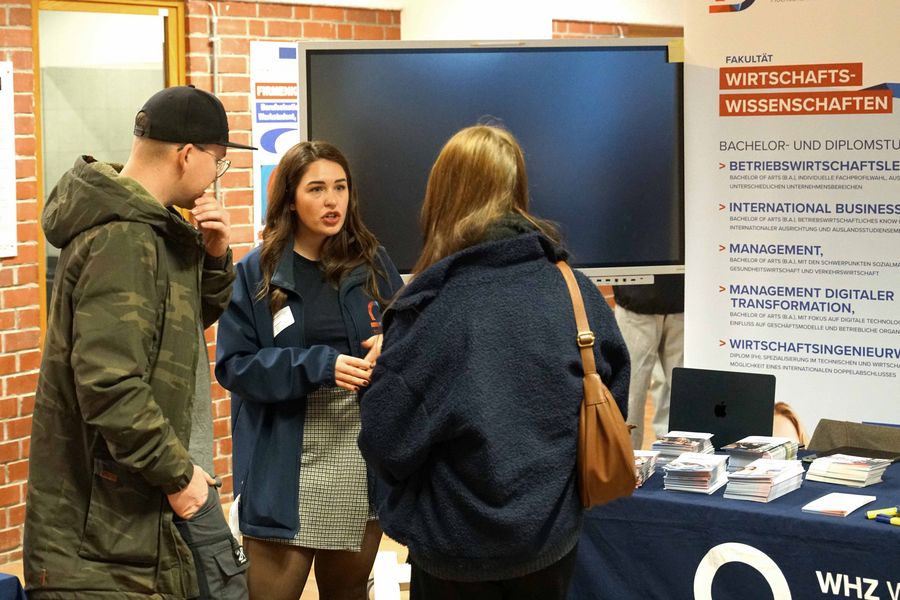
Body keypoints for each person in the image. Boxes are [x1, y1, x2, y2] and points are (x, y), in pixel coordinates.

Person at [357, 124, 630, 600]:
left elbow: (386, 443)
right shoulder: (574, 290)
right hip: (552, 545)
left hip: (455, 556)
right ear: (517, 191)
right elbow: (611, 399)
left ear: (442, 198)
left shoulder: (431, 311)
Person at [23, 85, 252, 599]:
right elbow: (110, 387)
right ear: (187, 154)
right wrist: (181, 478)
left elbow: (177, 330)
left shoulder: (154, 230)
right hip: (102, 549)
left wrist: (214, 255)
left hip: (129, 528)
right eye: (218, 162)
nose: (217, 176)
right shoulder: (123, 239)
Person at [214, 140, 404, 600]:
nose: (332, 200)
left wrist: (391, 343)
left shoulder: (372, 261)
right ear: (290, 199)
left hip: (360, 457)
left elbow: (411, 333)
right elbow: (234, 367)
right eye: (316, 189)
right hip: (286, 460)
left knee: (350, 591)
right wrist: (318, 364)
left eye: (340, 187)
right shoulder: (256, 271)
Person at [613, 275, 684, 448]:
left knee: (679, 389)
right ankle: (627, 461)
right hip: (638, 300)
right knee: (631, 389)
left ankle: (676, 460)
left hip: (676, 300)